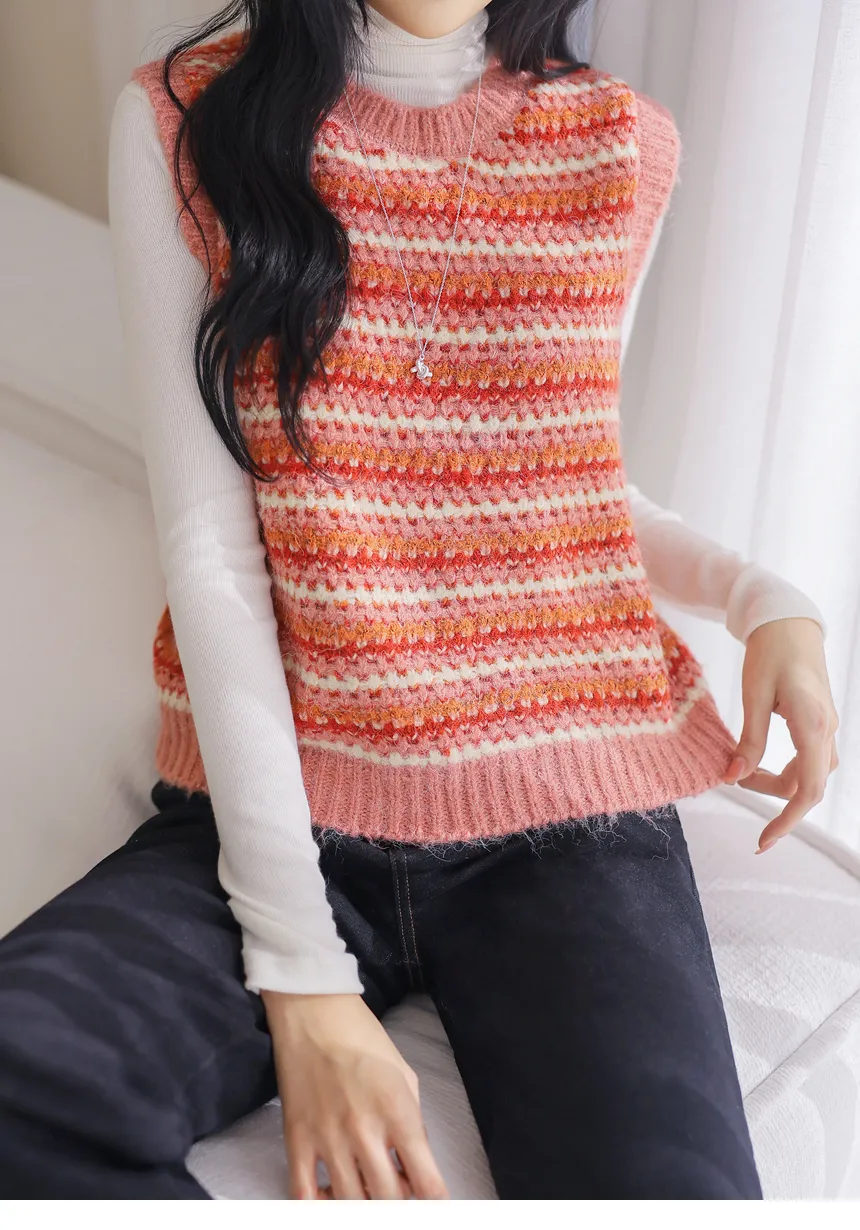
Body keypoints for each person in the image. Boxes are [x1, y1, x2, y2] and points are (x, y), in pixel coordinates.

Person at [0, 0, 839, 1201]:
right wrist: (302, 972)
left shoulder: (617, 141)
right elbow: (213, 552)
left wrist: (765, 598)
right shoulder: (188, 120)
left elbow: (563, 470)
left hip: (567, 807)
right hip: (290, 800)